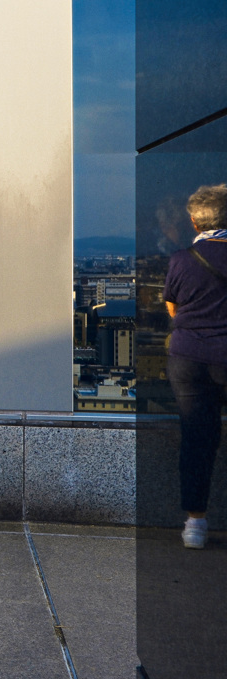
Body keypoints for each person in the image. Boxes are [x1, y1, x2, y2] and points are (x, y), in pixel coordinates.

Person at [164, 183, 227, 548]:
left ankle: (195, 523)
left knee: (197, 439)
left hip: (191, 359)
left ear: (193, 222)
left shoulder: (182, 259)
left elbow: (173, 309)